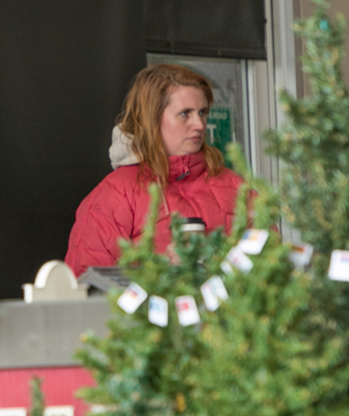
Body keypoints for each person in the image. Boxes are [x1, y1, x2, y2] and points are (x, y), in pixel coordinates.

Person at [64, 64, 244, 276]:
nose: (199, 124)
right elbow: (87, 287)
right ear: (153, 119)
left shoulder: (236, 186)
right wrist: (159, 272)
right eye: (185, 114)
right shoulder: (115, 194)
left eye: (202, 112)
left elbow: (273, 270)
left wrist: (224, 262)